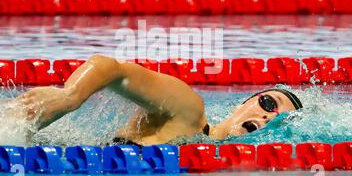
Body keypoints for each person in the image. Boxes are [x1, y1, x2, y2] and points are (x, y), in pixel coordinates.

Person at [16, 55, 302, 146]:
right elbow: (111, 69)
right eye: (268, 103)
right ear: (243, 103)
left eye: (279, 118)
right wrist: (70, 96)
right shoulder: (191, 111)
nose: (269, 116)